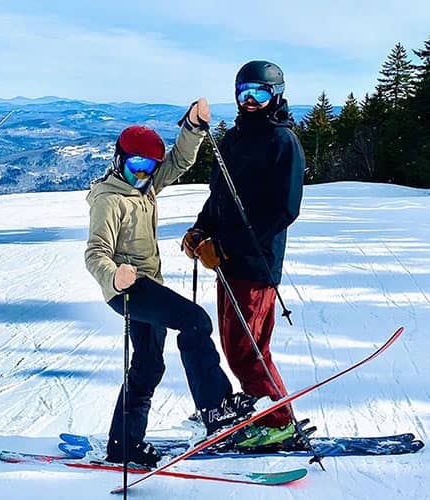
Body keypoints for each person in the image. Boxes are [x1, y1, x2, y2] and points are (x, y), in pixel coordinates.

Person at [84, 98, 256, 468]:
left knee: (148, 365)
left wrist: (192, 128)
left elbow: (179, 161)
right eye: (135, 166)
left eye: (149, 168)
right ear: (119, 160)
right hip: (128, 288)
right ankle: (215, 408)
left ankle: (124, 445)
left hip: (144, 285)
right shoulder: (110, 200)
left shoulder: (143, 188)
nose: (143, 174)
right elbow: (96, 251)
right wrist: (113, 275)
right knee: (195, 321)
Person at [182, 61, 305, 448]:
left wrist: (227, 245)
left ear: (277, 95)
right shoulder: (235, 139)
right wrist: (201, 229)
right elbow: (220, 196)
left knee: (244, 349)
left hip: (255, 263)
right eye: (244, 92)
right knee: (242, 344)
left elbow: (284, 210)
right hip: (225, 261)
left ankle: (278, 421)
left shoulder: (282, 143)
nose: (250, 101)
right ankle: (264, 407)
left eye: (260, 93)